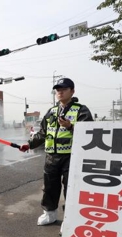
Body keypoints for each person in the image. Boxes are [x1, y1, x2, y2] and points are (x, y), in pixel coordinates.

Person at [19, 78, 93, 225]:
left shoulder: (81, 110)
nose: (60, 92)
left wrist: (70, 126)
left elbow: (90, 132)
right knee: (50, 187)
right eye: (58, 90)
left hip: (71, 157)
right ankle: (49, 213)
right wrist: (29, 145)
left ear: (72, 91)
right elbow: (43, 133)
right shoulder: (51, 111)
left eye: (64, 89)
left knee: (70, 188)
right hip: (51, 157)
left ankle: (69, 219)